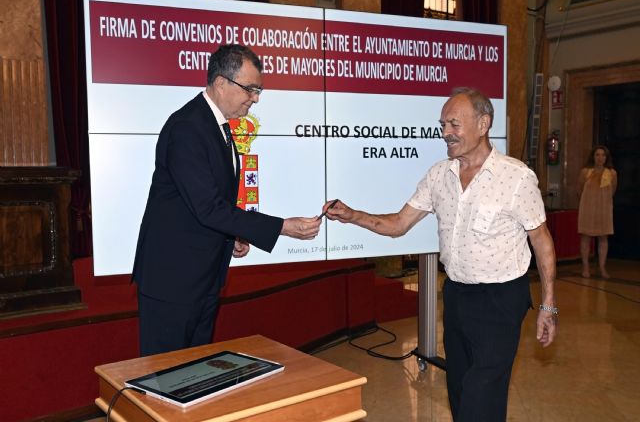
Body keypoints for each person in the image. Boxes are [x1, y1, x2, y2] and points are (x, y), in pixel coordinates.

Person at [323, 87, 557, 421]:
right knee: (460, 393)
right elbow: (399, 223)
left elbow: (542, 240)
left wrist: (548, 305)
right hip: (458, 296)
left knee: (481, 396)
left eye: (454, 124)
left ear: (483, 123)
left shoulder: (516, 177)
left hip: (501, 299)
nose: (446, 132)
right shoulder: (439, 175)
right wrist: (353, 215)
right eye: (443, 125)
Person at [132, 44, 322, 356]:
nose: (256, 98)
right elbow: (207, 208)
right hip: (173, 280)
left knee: (193, 373)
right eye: (250, 88)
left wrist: (233, 233)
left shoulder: (217, 127)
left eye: (258, 90)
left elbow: (207, 202)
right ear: (221, 83)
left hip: (203, 277)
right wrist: (282, 227)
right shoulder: (187, 128)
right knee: (164, 377)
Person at [577, 145, 617, 279]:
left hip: (604, 209)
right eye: (597, 155)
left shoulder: (612, 173)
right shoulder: (585, 172)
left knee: (603, 238)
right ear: (593, 157)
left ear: (606, 158)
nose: (600, 158)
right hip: (587, 208)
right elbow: (579, 189)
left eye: (603, 155)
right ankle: (585, 267)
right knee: (586, 237)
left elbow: (613, 191)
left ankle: (602, 268)